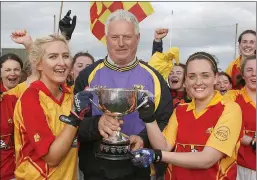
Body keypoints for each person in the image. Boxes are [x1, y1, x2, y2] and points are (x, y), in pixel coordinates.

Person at [74, 10, 173, 180]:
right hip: (95, 170)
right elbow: (74, 126)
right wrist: (97, 124)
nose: (121, 43)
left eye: (127, 37)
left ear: (138, 38)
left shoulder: (154, 78)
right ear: (107, 39)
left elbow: (166, 122)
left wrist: (143, 139)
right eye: (114, 37)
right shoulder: (87, 76)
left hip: (139, 171)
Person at [132, 52, 243, 180]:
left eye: (205, 76)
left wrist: (157, 155)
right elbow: (163, 147)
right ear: (186, 80)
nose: (198, 82)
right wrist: (149, 119)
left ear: (216, 78)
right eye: (192, 76)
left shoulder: (230, 109)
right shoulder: (181, 110)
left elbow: (207, 159)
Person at [13, 34, 87, 179]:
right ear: (39, 64)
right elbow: (52, 157)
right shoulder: (30, 98)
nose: (62, 62)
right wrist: (75, 117)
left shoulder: (71, 95)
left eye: (65, 56)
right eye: (53, 57)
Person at [223, 55, 256, 180]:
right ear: (242, 75)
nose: (254, 74)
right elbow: (223, 126)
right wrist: (251, 141)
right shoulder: (232, 97)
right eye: (249, 70)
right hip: (240, 167)